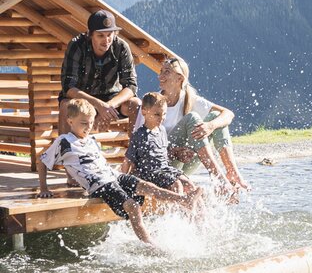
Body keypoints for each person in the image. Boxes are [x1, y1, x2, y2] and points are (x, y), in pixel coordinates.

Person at [37, 99, 194, 246]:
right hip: (100, 184)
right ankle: (150, 245)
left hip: (113, 176)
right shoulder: (64, 141)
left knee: (147, 186)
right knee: (132, 206)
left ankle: (184, 200)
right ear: (70, 121)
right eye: (83, 123)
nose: (88, 127)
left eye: (91, 123)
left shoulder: (91, 140)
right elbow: (42, 161)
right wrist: (44, 189)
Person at [135, 56, 249, 191]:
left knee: (215, 117)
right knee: (192, 118)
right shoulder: (153, 102)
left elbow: (228, 114)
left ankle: (232, 172)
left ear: (180, 79)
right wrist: (173, 151)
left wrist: (210, 126)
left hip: (186, 161)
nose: (160, 76)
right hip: (162, 164)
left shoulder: (190, 99)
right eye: (161, 72)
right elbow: (139, 143)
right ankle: (218, 177)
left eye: (166, 72)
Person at [58, 9, 141, 135]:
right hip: (83, 99)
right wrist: (98, 105)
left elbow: (131, 85)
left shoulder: (122, 47)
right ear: (90, 34)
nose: (106, 40)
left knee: (135, 103)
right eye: (101, 35)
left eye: (110, 35)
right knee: (65, 105)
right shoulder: (76, 45)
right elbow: (68, 87)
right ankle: (65, 151)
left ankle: (135, 152)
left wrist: (109, 106)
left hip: (112, 99)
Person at [122, 92, 203, 210]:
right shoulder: (139, 135)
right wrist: (124, 180)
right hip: (149, 172)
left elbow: (162, 152)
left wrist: (176, 152)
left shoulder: (162, 130)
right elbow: (128, 160)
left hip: (164, 169)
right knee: (176, 184)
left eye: (164, 114)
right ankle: (176, 217)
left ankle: (200, 218)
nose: (162, 118)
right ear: (144, 111)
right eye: (157, 114)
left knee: (188, 183)